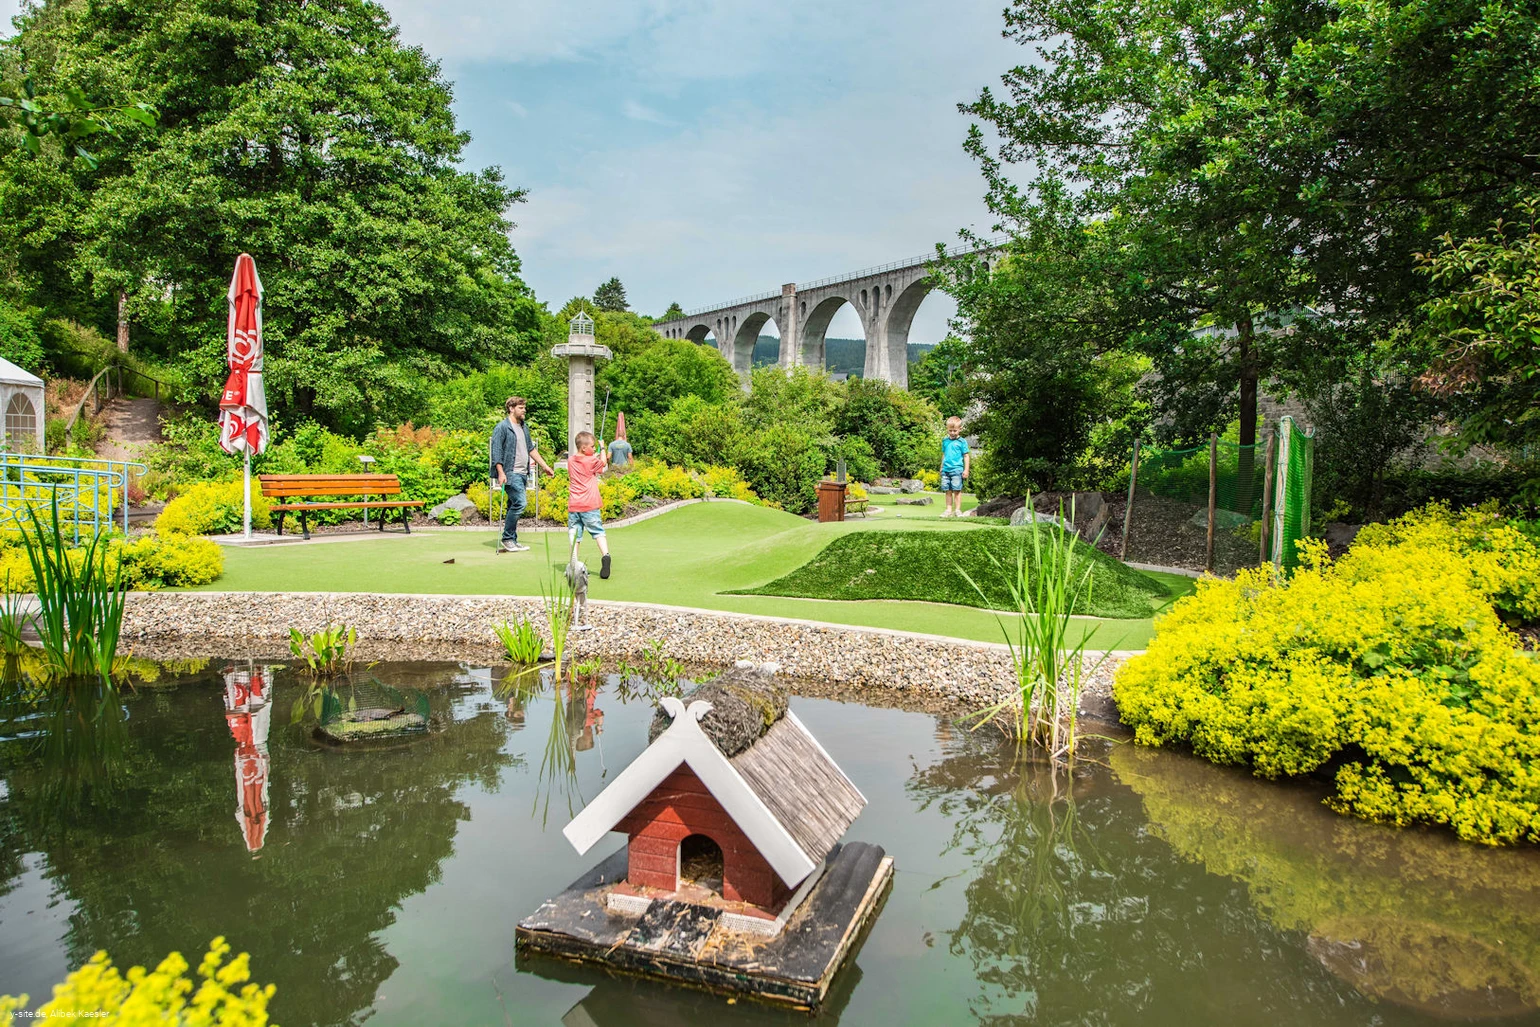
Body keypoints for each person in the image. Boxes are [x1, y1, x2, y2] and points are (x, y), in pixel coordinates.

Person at [490, 396, 555, 553]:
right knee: (521, 503)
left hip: (523, 473)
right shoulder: (502, 427)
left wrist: (545, 466)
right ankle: (507, 538)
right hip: (509, 472)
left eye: (524, 407)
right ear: (511, 409)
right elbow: (496, 451)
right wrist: (500, 472)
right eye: (520, 407)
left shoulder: (523, 427)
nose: (524, 410)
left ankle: (512, 539)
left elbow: (531, 449)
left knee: (513, 505)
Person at [567, 429, 612, 578]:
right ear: (583, 448)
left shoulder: (571, 460)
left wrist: (595, 455)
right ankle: (606, 555)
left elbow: (588, 463)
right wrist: (603, 447)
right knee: (598, 532)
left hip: (574, 505)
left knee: (575, 534)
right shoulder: (592, 460)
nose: (594, 449)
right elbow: (603, 464)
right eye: (592, 447)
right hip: (590, 505)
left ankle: (574, 564)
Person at [940, 416, 970, 518]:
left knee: (957, 490)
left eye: (955, 431)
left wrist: (966, 470)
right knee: (947, 491)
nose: (952, 433)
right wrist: (941, 467)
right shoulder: (945, 441)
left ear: (960, 429)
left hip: (957, 469)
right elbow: (944, 455)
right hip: (946, 469)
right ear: (947, 429)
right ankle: (948, 510)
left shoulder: (962, 442)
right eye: (950, 430)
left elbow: (966, 456)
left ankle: (957, 510)